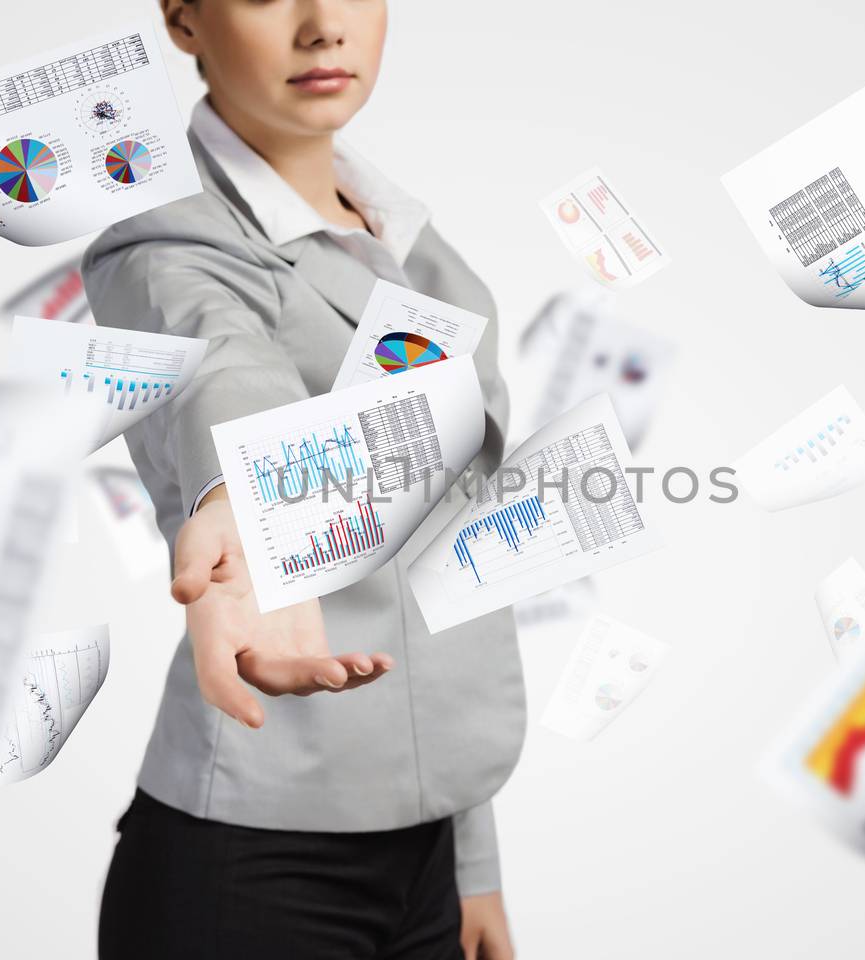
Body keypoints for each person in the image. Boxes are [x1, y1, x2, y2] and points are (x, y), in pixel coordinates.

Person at [82, 2, 524, 958]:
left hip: (426, 854)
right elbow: (219, 364)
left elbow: (444, 565)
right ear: (184, 19)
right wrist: (235, 504)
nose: (324, 26)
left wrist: (468, 857)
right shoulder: (164, 242)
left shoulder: (415, 245)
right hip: (250, 868)